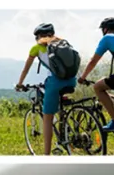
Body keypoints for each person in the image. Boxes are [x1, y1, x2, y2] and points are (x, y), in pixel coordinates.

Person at [16, 23, 78, 155]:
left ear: (38, 37)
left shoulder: (36, 48)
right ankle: (64, 133)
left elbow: (26, 69)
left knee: (47, 117)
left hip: (55, 83)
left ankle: (46, 155)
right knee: (61, 107)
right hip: (72, 80)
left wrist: (20, 84)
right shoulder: (63, 43)